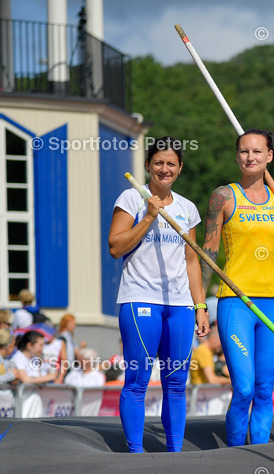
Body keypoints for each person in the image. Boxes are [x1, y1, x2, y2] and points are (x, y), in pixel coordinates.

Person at [108, 136, 206, 452]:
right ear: (148, 165)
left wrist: (200, 305)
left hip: (179, 304)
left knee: (176, 383)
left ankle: (174, 452)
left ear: (179, 168)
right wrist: (149, 216)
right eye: (158, 163)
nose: (164, 169)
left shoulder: (187, 208)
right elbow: (115, 247)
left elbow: (192, 260)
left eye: (171, 164)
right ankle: (135, 453)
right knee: (137, 381)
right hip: (140, 299)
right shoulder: (131, 197)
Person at [202, 129, 274, 446]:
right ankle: (235, 453)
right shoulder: (223, 197)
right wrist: (199, 303)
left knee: (264, 388)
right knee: (243, 387)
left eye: (257, 152)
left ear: (269, 156)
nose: (250, 157)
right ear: (237, 156)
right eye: (244, 151)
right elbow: (209, 252)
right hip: (235, 301)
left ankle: (258, 452)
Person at [11, 330, 59, 417]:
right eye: (40, 345)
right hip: (21, 402)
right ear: (29, 345)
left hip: (34, 401)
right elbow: (25, 379)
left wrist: (52, 364)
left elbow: (43, 376)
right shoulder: (18, 358)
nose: (43, 348)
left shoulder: (35, 359)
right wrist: (49, 377)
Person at [190, 321, 230, 386]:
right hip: (202, 393)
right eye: (220, 342)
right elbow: (212, 379)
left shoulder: (207, 351)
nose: (220, 346)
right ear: (213, 339)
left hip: (203, 392)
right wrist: (232, 381)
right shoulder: (204, 352)